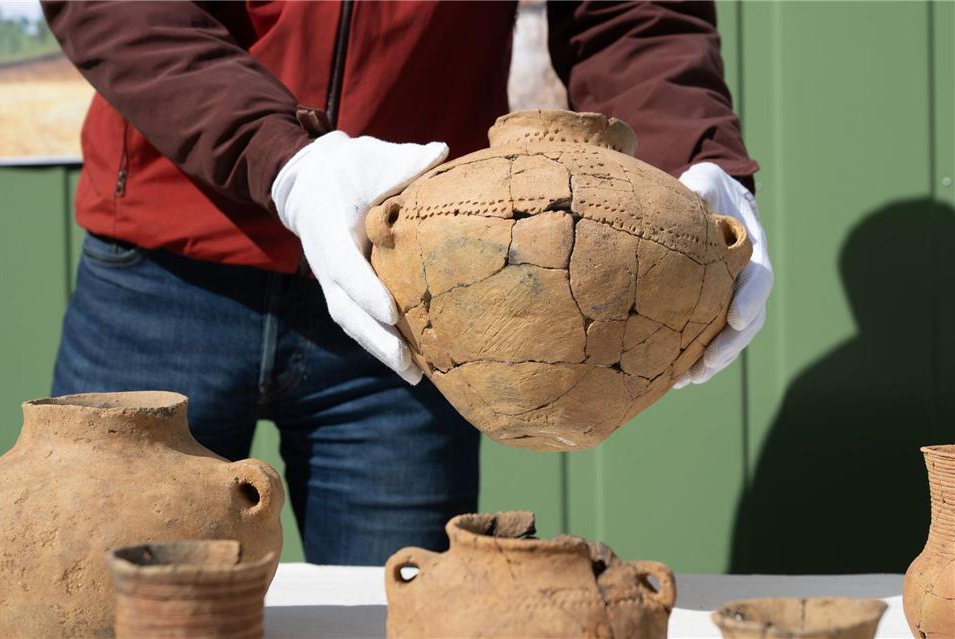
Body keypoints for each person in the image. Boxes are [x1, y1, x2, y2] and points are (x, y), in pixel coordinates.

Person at [42, 1, 773, 565]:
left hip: (418, 291)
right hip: (163, 270)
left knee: (398, 612)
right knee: (106, 607)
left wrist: (695, 157)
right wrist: (279, 156)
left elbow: (630, 16)